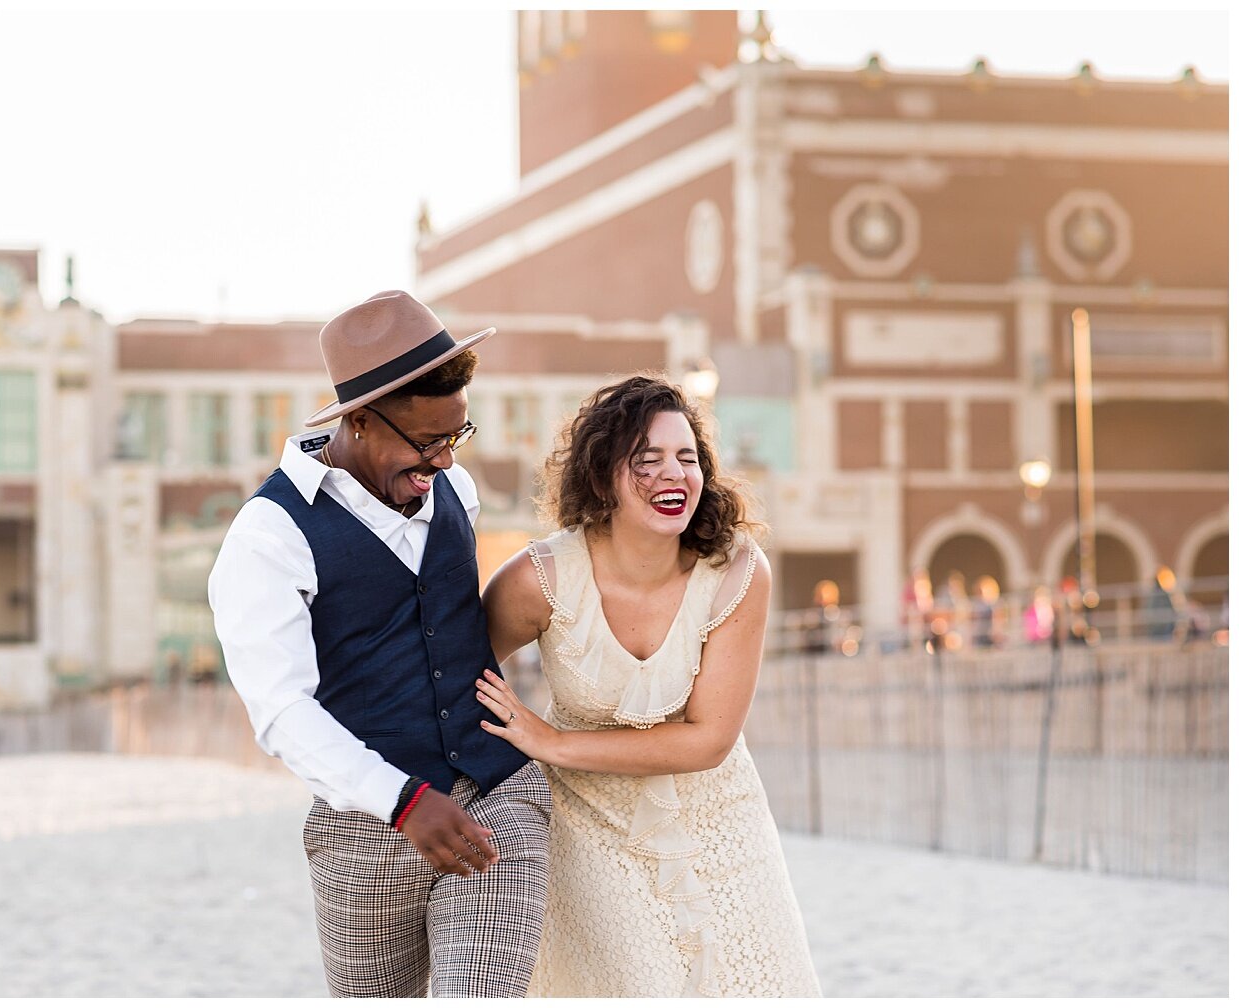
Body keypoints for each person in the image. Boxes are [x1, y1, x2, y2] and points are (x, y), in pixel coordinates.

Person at [208, 291, 552, 998]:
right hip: (365, 832)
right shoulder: (268, 536)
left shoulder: (458, 488)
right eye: (427, 442)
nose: (446, 461)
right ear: (358, 422)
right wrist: (400, 800)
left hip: (499, 799)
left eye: (457, 435)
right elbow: (279, 710)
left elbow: (455, 626)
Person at [475, 374, 820, 997]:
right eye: (648, 459)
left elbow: (708, 740)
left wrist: (552, 742)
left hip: (723, 824)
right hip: (591, 831)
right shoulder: (542, 579)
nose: (674, 474)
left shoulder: (737, 571)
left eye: (687, 458)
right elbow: (455, 673)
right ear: (603, 476)